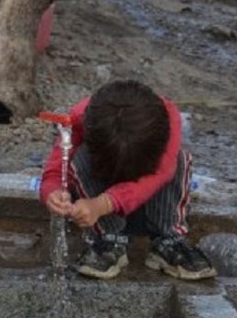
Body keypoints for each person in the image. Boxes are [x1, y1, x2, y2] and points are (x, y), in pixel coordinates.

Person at [40, 79, 216, 280]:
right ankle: (109, 237)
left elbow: (162, 173)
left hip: (148, 196)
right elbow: (55, 171)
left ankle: (167, 237)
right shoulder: (81, 120)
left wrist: (102, 204)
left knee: (177, 159)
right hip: (102, 188)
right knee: (79, 157)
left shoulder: (166, 118)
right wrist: (53, 193)